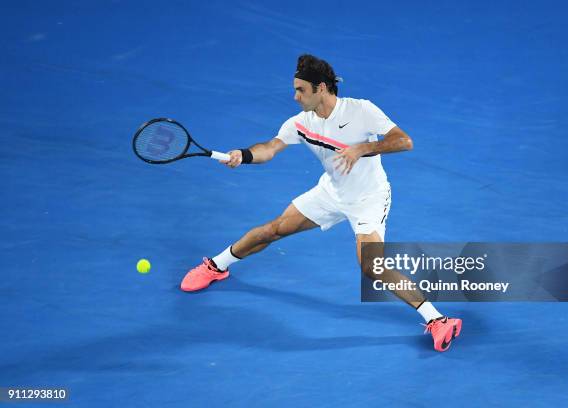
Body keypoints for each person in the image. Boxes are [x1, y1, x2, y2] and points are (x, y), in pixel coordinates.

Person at [180, 54, 462, 352]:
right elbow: (270, 148)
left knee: (372, 266)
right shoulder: (300, 123)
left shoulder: (361, 110)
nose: (295, 96)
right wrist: (243, 154)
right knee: (272, 230)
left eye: (301, 90)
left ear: (322, 88)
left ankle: (438, 320)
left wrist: (363, 148)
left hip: (368, 198)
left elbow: (404, 141)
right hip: (330, 192)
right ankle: (216, 266)